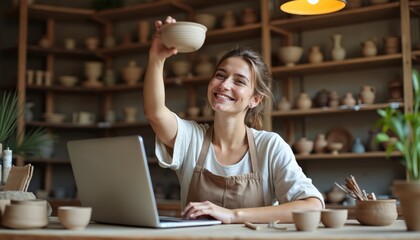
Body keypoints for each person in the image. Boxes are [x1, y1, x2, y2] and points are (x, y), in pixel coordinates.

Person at [143, 16, 324, 224]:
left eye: (239, 81)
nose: (225, 85)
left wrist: (232, 214)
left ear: (255, 99)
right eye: (220, 75)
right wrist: (157, 58)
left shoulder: (270, 147)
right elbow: (155, 113)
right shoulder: (191, 139)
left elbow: (313, 206)